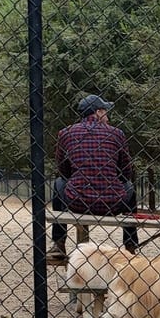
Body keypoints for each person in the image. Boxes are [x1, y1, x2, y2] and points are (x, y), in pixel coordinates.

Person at [51, 93, 138, 256]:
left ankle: (59, 243)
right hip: (112, 203)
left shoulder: (66, 133)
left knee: (59, 183)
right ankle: (131, 244)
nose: (107, 116)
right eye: (105, 111)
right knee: (129, 186)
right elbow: (126, 171)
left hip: (77, 201)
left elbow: (63, 170)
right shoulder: (116, 133)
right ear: (98, 112)